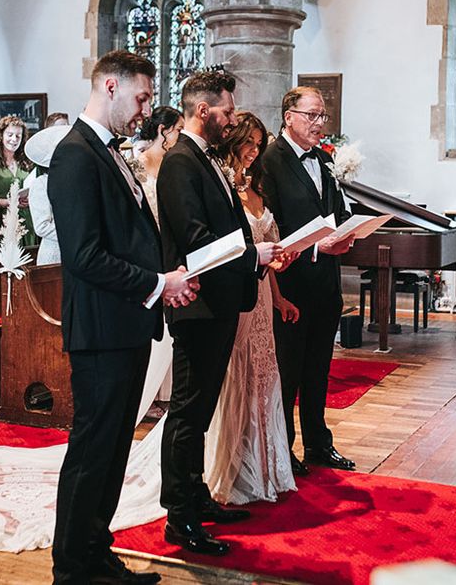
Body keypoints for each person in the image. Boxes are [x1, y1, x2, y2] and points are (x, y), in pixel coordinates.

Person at [47, 49, 199, 585]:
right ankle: (71, 569)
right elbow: (84, 255)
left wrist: (167, 276)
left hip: (126, 324)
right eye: (141, 97)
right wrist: (158, 284)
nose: (145, 110)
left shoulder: (109, 151)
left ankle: (96, 551)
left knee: (113, 450)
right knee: (93, 451)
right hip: (100, 329)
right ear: (110, 87)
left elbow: (129, 237)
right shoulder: (75, 155)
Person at [156, 70, 281, 556]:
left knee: (202, 410)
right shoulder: (180, 163)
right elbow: (195, 239)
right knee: (188, 413)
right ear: (202, 110)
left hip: (221, 303)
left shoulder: (205, 159)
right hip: (198, 306)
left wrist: (260, 253)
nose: (232, 119)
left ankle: (196, 494)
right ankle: (179, 516)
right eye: (227, 111)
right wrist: (255, 257)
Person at [204, 111, 299, 505]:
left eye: (259, 145)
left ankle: (265, 465)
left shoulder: (257, 187)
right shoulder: (224, 188)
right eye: (248, 143)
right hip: (237, 296)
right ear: (232, 141)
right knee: (236, 375)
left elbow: (267, 253)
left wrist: (278, 291)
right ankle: (230, 465)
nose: (253, 151)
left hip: (262, 297)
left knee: (264, 375)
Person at [261, 86, 356, 476]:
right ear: (289, 117)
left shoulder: (323, 159)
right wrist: (318, 249)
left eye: (323, 117)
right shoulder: (270, 160)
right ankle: (285, 450)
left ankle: (319, 444)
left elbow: (333, 211)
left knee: (318, 370)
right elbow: (271, 226)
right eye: (313, 116)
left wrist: (347, 231)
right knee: (289, 372)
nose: (320, 124)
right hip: (291, 283)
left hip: (325, 285)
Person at [128, 106, 184, 406]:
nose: (180, 136)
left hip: (172, 253)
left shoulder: (174, 165)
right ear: (163, 131)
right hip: (147, 256)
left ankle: (167, 393)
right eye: (177, 130)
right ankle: (148, 396)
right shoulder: (136, 166)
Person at [0, 116, 36, 249]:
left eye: (18, 136)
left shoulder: (28, 162)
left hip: (26, 222)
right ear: (1, 135)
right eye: (10, 134)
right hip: (1, 223)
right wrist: (8, 202)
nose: (14, 139)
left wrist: (30, 198)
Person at [24, 125, 70, 265]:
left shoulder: (73, 182)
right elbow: (42, 226)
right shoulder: (41, 184)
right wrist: (74, 234)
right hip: (54, 254)